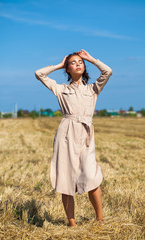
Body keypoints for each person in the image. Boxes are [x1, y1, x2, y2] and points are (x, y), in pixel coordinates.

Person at [35, 49, 112, 227]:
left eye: (80, 62)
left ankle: (99, 219)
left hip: (86, 134)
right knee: (66, 179)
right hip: (66, 134)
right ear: (68, 69)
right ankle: (72, 223)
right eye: (73, 62)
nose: (77, 64)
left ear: (84, 67)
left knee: (91, 176)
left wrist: (91, 59)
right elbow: (39, 74)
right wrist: (59, 65)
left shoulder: (93, 89)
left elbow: (108, 72)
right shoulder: (61, 90)